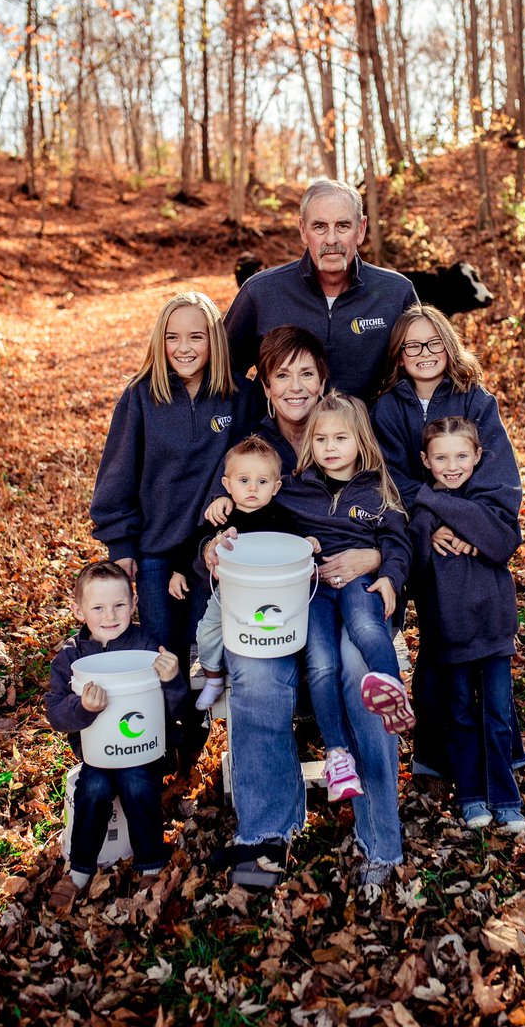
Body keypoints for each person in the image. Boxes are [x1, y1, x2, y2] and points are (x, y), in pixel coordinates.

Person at [204, 326, 404, 892]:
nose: (295, 387)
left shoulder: (354, 435)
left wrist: (376, 559)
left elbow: (397, 518)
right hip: (277, 606)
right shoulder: (255, 447)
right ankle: (267, 832)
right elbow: (222, 518)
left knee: (360, 673)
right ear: (265, 386)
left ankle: (379, 837)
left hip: (353, 600)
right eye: (281, 376)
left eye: (306, 374)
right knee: (258, 673)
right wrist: (212, 549)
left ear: (324, 381)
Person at [372, 304, 525, 778]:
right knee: (439, 644)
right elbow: (390, 480)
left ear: (449, 344)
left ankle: (502, 752)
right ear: (398, 355)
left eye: (433, 343)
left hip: (474, 544)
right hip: (422, 540)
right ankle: (436, 756)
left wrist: (460, 524)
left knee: (483, 649)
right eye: (412, 346)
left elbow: (497, 478)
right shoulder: (387, 408)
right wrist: (431, 524)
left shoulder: (476, 401)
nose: (424, 354)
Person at [89, 291, 253, 658]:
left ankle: (199, 718)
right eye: (172, 337)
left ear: (215, 340)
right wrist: (121, 544)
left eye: (196, 337)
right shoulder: (141, 397)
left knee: (202, 647)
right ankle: (165, 717)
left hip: (210, 548)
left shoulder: (241, 395)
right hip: (154, 551)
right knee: (162, 651)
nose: (184, 348)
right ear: (159, 341)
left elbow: (254, 457)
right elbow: (117, 475)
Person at [282, 392, 413, 802]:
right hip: (315, 590)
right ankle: (337, 754)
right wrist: (223, 502)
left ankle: (393, 694)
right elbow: (258, 509)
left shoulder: (377, 488)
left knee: (365, 625)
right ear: (310, 444)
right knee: (321, 665)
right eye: (321, 439)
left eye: (340, 439)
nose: (330, 448)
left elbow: (398, 541)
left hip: (360, 582)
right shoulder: (295, 489)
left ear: (360, 441)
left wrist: (390, 578)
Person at [46, 561, 188, 909]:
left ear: (134, 603)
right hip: (98, 752)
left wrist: (171, 679)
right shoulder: (71, 657)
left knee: (139, 784)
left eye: (119, 605)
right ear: (78, 610)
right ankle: (79, 869)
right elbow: (56, 712)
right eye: (97, 607)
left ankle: (151, 862)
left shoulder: (145, 646)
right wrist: (83, 708)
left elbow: (177, 708)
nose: (110, 615)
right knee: (93, 788)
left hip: (142, 749)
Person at [408, 418, 525, 833]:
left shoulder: (489, 503)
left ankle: (505, 798)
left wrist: (438, 503)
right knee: (458, 714)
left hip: (494, 631)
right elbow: (415, 566)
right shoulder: (422, 514)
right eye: (441, 457)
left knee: (496, 716)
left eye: (461, 456)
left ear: (478, 456)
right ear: (425, 460)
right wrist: (435, 521)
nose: (452, 465)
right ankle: (472, 795)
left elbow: (503, 540)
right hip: (449, 633)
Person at [224, 178, 418, 402]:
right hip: (280, 436)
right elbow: (221, 373)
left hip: (367, 435)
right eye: (319, 227)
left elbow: (422, 377)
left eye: (343, 226)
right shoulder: (260, 292)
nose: (331, 239)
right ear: (303, 231)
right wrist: (251, 417)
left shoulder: (396, 293)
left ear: (361, 229)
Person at [167, 435, 319, 711]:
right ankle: (213, 676)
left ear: (276, 487)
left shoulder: (280, 518)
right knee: (207, 631)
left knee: (290, 630)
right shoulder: (223, 519)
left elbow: (298, 542)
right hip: (229, 594)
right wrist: (179, 572)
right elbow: (194, 541)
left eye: (262, 482)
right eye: (243, 480)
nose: (252, 488)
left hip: (273, 596)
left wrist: (310, 545)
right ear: (227, 485)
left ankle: (300, 685)